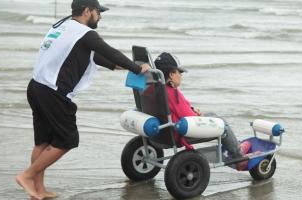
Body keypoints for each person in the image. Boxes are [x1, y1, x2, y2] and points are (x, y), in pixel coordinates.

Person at [15, 0, 150, 199]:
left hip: (36, 87)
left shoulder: (63, 26)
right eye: (98, 12)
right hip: (53, 93)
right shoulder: (85, 33)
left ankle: (38, 190)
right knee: (67, 140)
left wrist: (119, 67)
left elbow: (94, 57)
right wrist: (138, 68)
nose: (100, 16)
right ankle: (27, 176)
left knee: (43, 141)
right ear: (87, 11)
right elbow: (108, 51)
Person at [154, 52, 250, 169]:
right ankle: (239, 156)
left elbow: (179, 110)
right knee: (222, 124)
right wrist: (195, 115)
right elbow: (188, 116)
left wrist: (194, 111)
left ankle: (235, 146)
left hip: (161, 133)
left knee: (212, 115)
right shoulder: (172, 93)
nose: (181, 76)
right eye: (180, 72)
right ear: (171, 74)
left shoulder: (155, 89)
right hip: (178, 133)